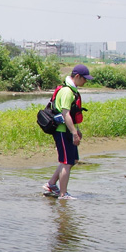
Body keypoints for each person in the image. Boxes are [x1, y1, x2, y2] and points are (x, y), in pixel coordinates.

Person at [43, 63, 91, 200]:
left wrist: (77, 130)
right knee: (66, 162)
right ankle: (63, 194)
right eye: (84, 78)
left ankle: (51, 184)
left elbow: (74, 113)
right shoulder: (67, 92)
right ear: (77, 76)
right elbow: (66, 114)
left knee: (72, 160)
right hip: (62, 131)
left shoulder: (73, 90)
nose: (86, 81)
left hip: (68, 130)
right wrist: (74, 133)